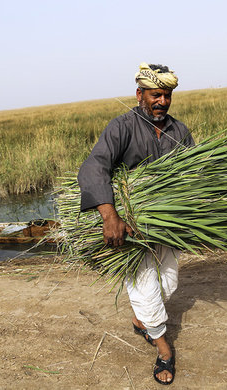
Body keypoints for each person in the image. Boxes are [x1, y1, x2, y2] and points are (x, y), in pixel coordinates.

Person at [77, 63, 194, 385]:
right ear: (139, 94)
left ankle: (142, 321)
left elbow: (195, 172)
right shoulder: (122, 127)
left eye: (167, 96)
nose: (162, 102)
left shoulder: (179, 131)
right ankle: (163, 347)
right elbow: (93, 167)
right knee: (145, 289)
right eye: (156, 95)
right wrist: (110, 216)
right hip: (130, 226)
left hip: (167, 225)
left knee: (168, 285)